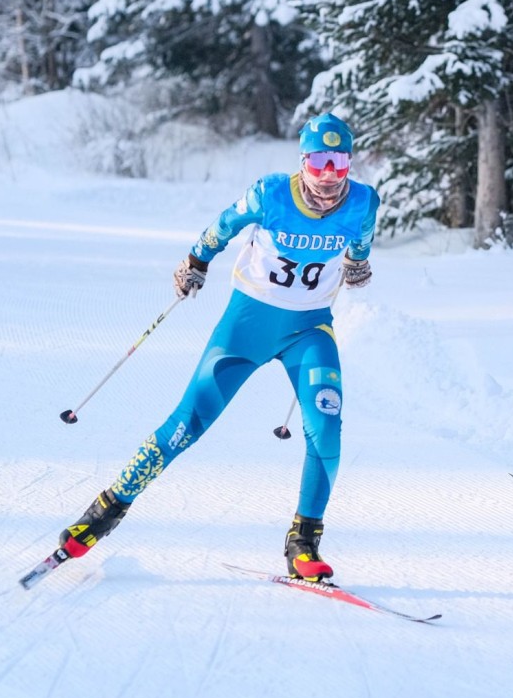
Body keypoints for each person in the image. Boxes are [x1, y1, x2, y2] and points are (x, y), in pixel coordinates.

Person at [58, 113, 378, 582]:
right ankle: (105, 511)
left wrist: (357, 263)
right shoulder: (271, 193)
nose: (329, 175)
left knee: (327, 428)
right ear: (303, 161)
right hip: (246, 327)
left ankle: (304, 543)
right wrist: (196, 261)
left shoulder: (365, 201)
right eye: (319, 162)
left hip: (310, 330)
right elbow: (224, 225)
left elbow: (362, 239)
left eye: (339, 163)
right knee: (187, 424)